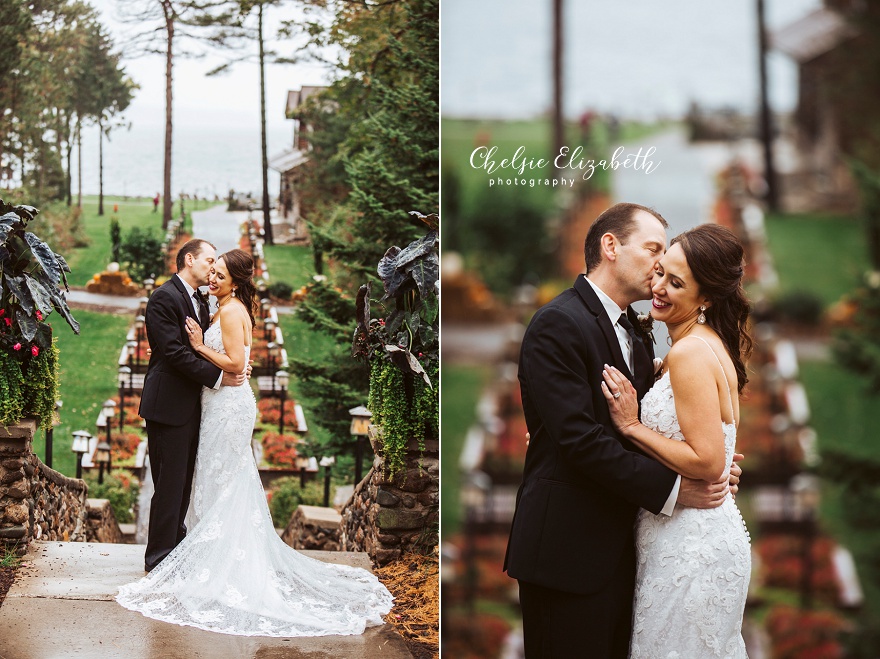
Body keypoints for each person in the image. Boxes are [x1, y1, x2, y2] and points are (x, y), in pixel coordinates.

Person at [504, 203, 742, 658]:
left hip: (628, 556)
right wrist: (677, 488)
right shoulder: (558, 323)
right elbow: (580, 440)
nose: (660, 263)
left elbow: (654, 426)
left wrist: (710, 465)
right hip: (568, 555)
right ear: (610, 246)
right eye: (653, 248)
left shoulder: (636, 332)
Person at [117, 249, 394, 636]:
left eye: (219, 273)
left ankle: (208, 561)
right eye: (209, 268)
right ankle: (178, 557)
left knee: (219, 479)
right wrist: (221, 362)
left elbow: (227, 360)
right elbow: (186, 350)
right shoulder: (195, 301)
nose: (212, 276)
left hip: (225, 404)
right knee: (196, 480)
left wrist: (210, 354)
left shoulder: (227, 310)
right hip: (203, 403)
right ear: (191, 259)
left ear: (235, 280)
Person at [600, 223, 752, 657]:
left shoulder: (689, 354)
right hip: (687, 535)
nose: (659, 288)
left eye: (676, 282)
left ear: (705, 298)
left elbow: (707, 462)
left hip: (690, 549)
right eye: (661, 272)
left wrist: (632, 427)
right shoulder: (704, 346)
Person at [138, 239, 247, 573]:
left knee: (184, 482)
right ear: (189, 259)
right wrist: (218, 376)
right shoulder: (164, 297)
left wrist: (233, 364)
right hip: (168, 405)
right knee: (169, 484)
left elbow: (209, 346)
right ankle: (158, 558)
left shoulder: (201, 300)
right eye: (208, 261)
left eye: (217, 265)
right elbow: (173, 352)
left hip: (191, 406)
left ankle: (176, 548)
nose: (212, 269)